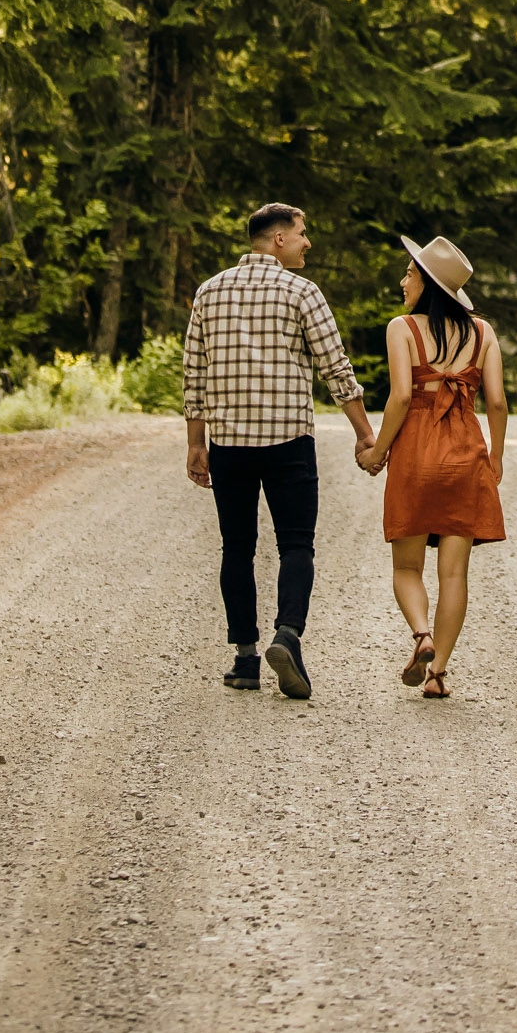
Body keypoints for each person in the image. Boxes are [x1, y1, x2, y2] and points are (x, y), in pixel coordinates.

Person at [183, 202, 374, 702]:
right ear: (278, 239)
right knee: (295, 545)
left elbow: (193, 378)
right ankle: (287, 635)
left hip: (229, 445)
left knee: (237, 548)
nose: (308, 242)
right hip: (288, 440)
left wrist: (195, 445)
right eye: (303, 233)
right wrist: (364, 434)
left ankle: (245, 658)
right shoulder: (302, 291)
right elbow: (337, 369)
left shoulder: (210, 291)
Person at [357, 233, 506, 698]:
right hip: (465, 451)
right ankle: (438, 672)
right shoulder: (484, 333)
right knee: (455, 574)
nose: (403, 280)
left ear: (426, 283)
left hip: (416, 452)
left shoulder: (401, 328)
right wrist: (495, 457)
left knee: (407, 567)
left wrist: (378, 450)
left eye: (409, 273)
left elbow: (401, 396)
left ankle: (421, 634)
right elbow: (497, 403)